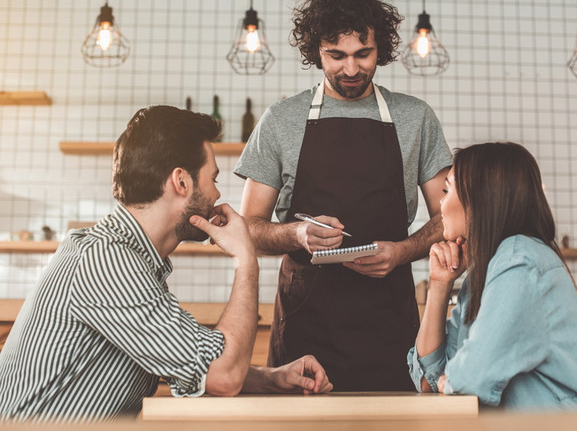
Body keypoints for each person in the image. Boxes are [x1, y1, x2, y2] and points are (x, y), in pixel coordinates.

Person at [0, 106, 332, 423]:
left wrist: (272, 379)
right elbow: (223, 375)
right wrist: (246, 260)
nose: (217, 194)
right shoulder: (108, 262)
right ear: (181, 182)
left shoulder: (131, 259)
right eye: (212, 178)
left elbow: (192, 360)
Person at [234, 0, 452, 391]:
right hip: (305, 330)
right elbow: (249, 228)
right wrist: (298, 232)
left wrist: (402, 251)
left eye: (363, 54)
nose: (351, 69)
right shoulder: (281, 120)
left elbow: (451, 217)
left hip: (389, 324)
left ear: (380, 49)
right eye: (336, 55)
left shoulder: (415, 118)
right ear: (316, 50)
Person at [408, 142, 577, 410]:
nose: (440, 203)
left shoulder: (520, 260)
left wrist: (456, 379)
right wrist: (439, 284)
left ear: (479, 200)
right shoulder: (485, 272)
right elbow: (428, 380)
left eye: (447, 190)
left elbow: (472, 376)